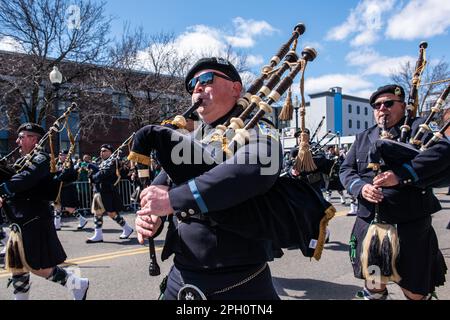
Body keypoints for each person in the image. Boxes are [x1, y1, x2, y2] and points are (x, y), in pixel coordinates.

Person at [135, 57, 282, 300]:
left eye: (206, 79)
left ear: (236, 88)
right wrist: (152, 215)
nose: (197, 88)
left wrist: (173, 200)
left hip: (239, 284)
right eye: (192, 84)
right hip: (181, 276)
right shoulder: (191, 139)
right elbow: (162, 183)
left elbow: (257, 170)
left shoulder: (258, 127)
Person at [340, 85, 448, 300]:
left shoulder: (421, 128)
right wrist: (361, 188)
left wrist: (401, 174)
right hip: (371, 222)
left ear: (403, 106)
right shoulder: (364, 137)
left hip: (410, 226)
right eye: (377, 105)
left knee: (415, 291)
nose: (382, 108)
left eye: (388, 103)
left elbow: (444, 152)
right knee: (374, 285)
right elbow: (346, 169)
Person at [0, 123, 89, 300]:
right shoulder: (23, 160)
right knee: (18, 264)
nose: (18, 141)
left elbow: (26, 179)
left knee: (37, 266)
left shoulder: (42, 159)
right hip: (20, 218)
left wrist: (3, 188)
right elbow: (13, 176)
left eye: (22, 137)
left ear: (33, 139)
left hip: (34, 218)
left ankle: (77, 284)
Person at [86, 144, 133, 243]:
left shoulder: (113, 161)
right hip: (99, 190)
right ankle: (98, 234)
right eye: (101, 151)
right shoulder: (102, 162)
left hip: (108, 191)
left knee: (111, 213)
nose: (101, 153)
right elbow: (99, 172)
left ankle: (127, 228)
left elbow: (104, 173)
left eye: (104, 151)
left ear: (110, 152)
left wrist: (93, 176)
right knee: (97, 212)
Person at [53, 150, 86, 231]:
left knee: (68, 207)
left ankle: (82, 219)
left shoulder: (69, 163)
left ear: (67, 156)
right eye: (60, 154)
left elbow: (65, 174)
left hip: (67, 188)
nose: (60, 156)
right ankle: (56, 224)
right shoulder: (58, 163)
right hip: (60, 188)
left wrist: (57, 177)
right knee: (57, 205)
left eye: (62, 155)